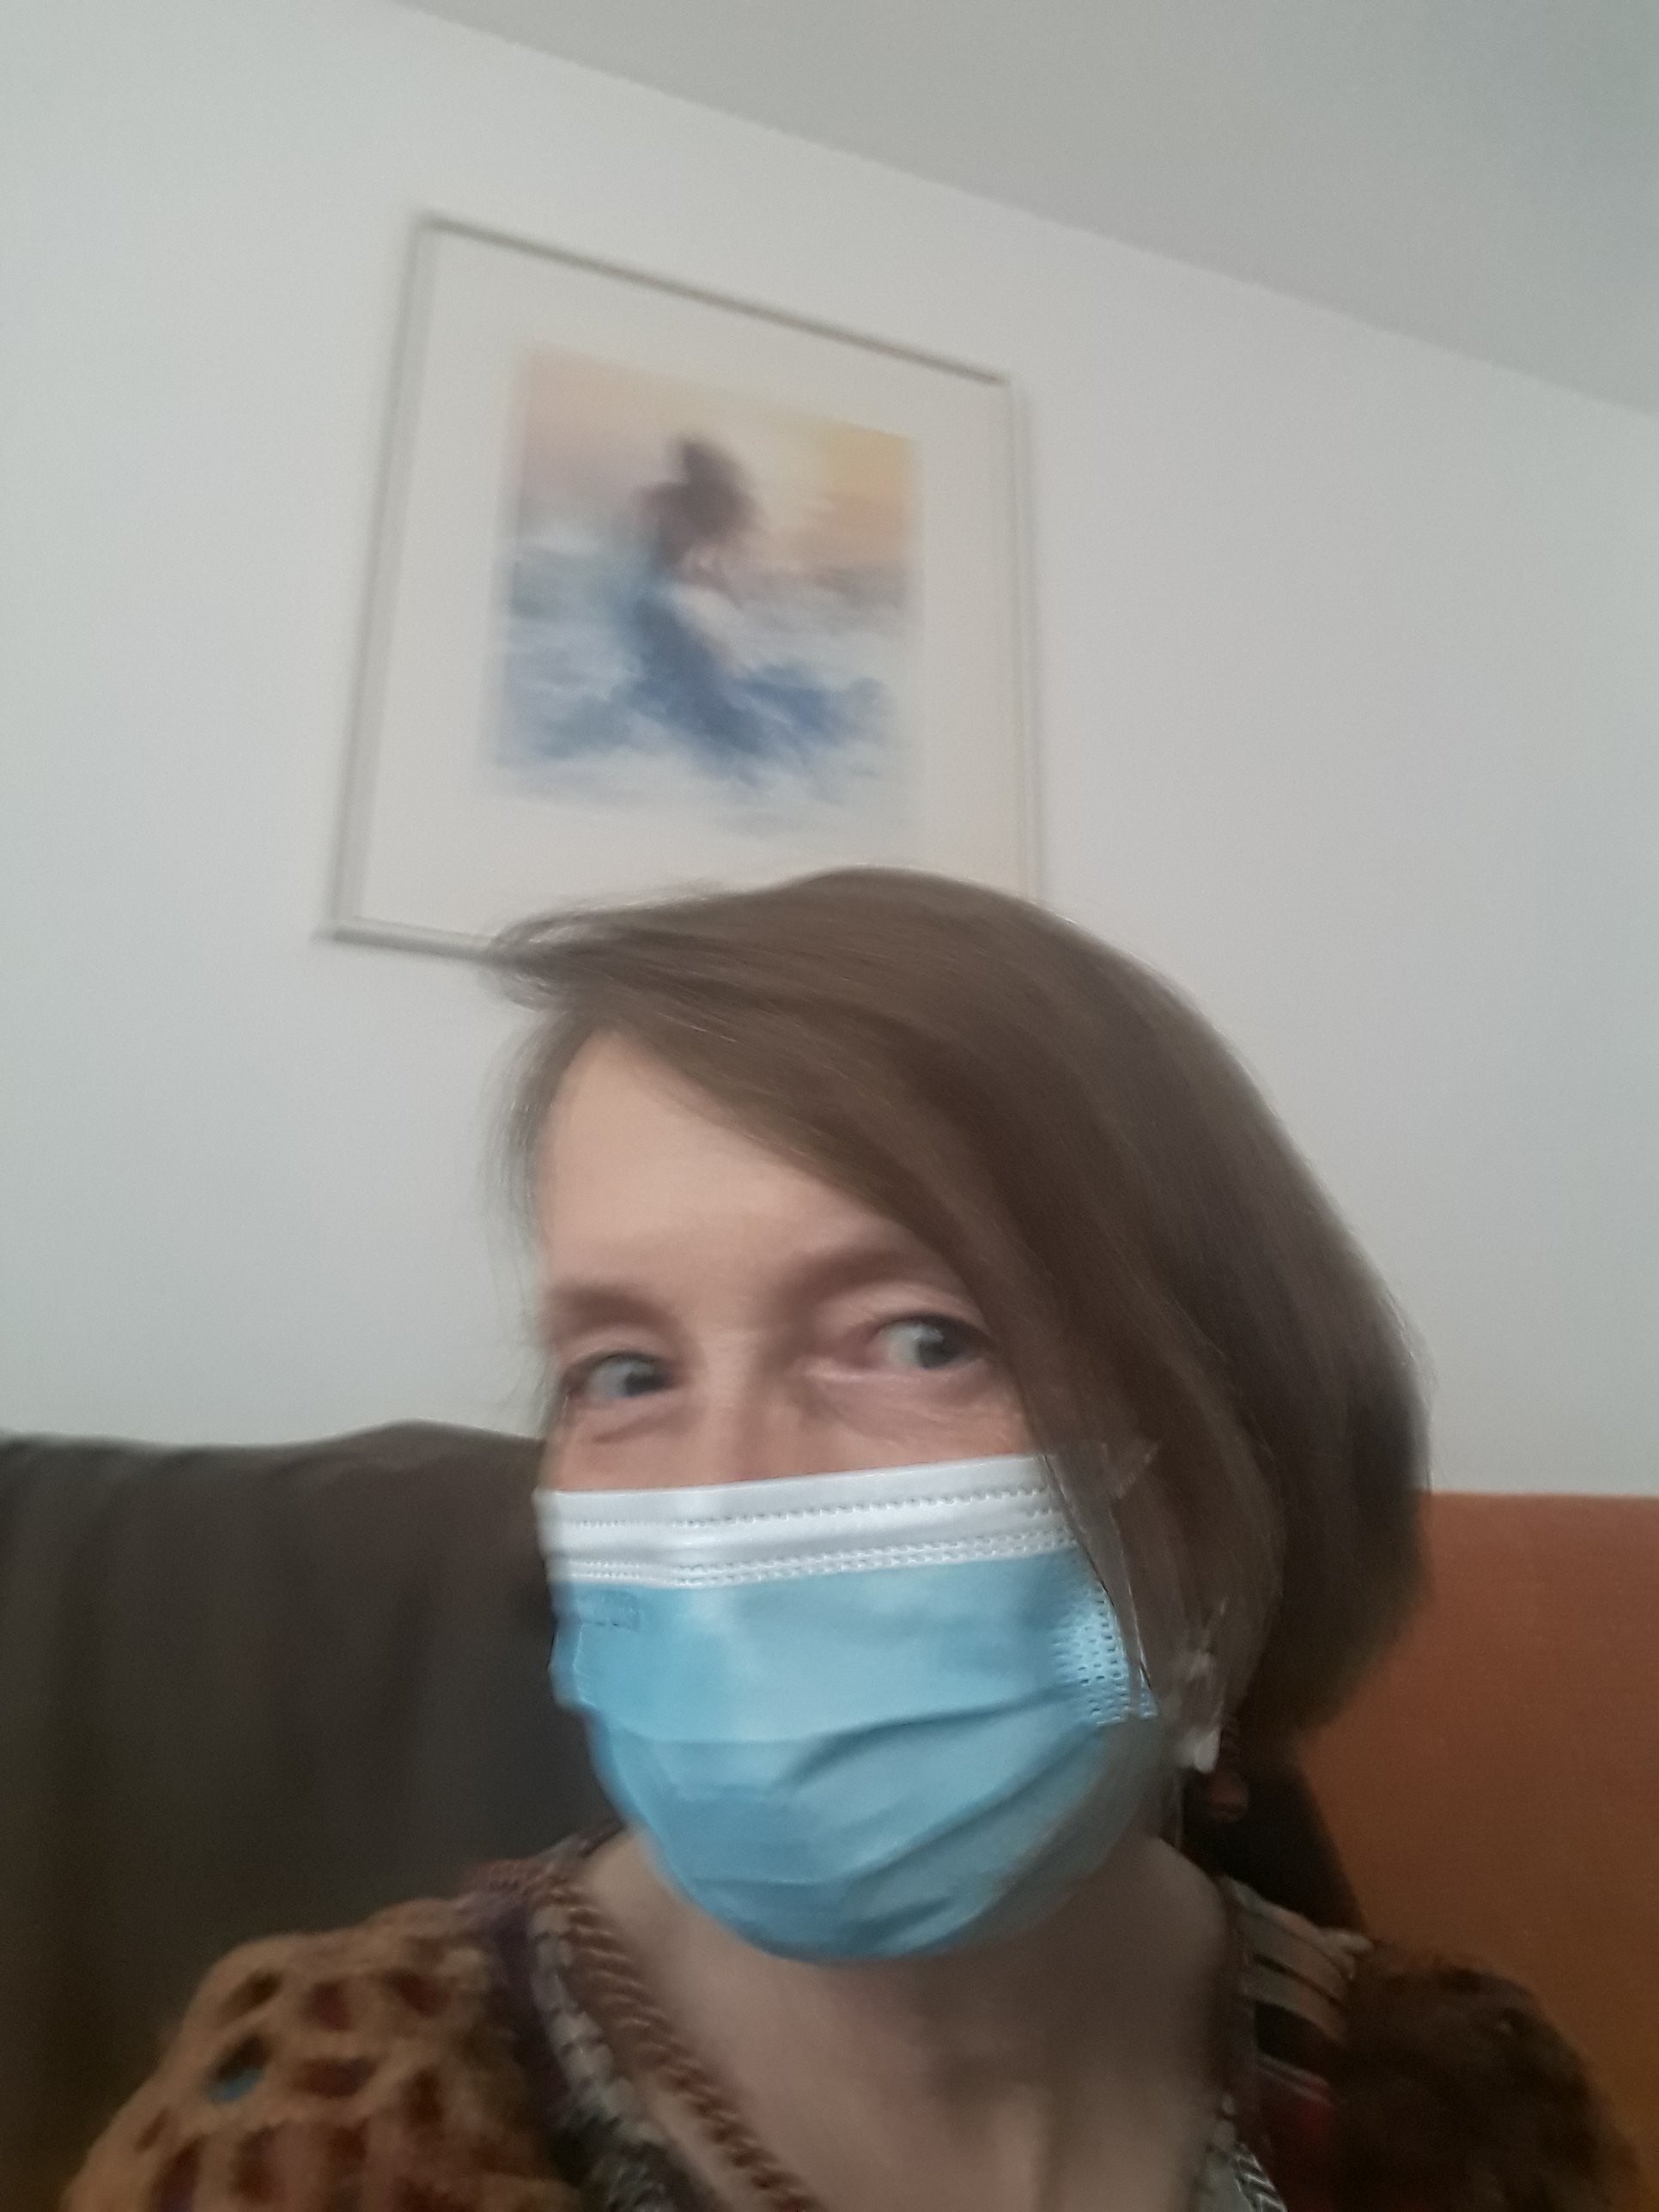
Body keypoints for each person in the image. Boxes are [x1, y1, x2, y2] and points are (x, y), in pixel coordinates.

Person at [70, 871, 1631, 2211]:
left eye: (920, 1338)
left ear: (1239, 1446)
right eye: (628, 1373)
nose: (719, 1503)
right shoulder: (327, 2127)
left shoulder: (1444, 2110)